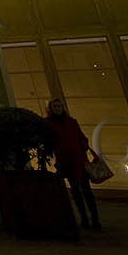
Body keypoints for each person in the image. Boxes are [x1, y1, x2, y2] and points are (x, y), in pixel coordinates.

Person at [45, 98, 100, 230]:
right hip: (69, 160)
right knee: (78, 191)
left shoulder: (68, 122)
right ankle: (86, 218)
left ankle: (92, 219)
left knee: (84, 191)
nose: (58, 109)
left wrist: (82, 147)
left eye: (59, 106)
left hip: (77, 160)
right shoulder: (54, 123)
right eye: (55, 106)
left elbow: (81, 137)